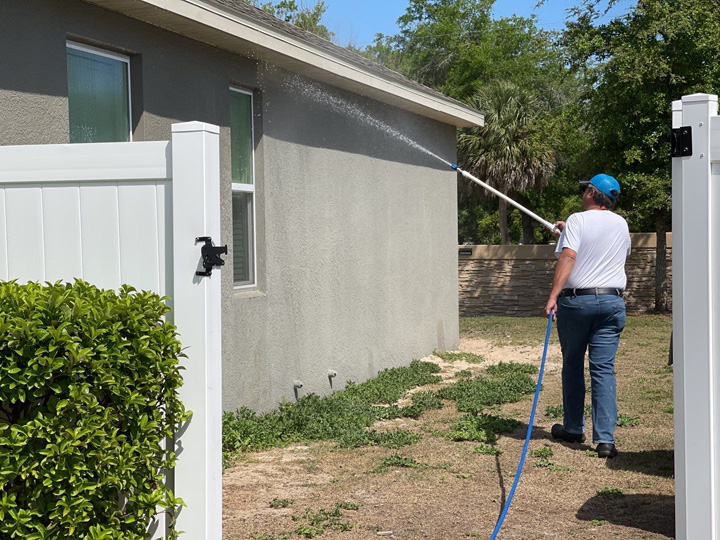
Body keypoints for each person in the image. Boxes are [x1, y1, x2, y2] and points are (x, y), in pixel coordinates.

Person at [543, 174, 631, 459]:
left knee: (572, 365)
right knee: (603, 369)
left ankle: (573, 428)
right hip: (612, 302)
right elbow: (602, 249)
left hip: (577, 303)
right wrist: (568, 231)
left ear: (592, 193)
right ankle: (605, 440)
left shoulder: (578, 220)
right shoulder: (621, 224)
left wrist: (553, 295)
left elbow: (569, 257)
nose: (583, 194)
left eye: (585, 190)